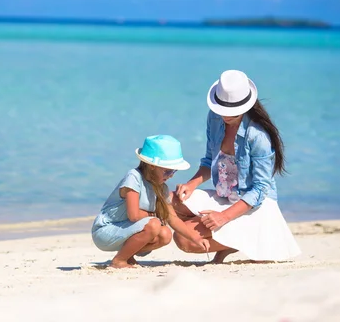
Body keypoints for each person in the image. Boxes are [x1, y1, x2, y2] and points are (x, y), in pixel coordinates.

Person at [173, 70, 301, 263]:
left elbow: (259, 190)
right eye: (222, 108)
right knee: (170, 201)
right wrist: (191, 185)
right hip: (225, 195)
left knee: (184, 240)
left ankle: (238, 241)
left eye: (231, 111)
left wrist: (223, 217)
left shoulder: (258, 136)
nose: (225, 115)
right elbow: (209, 161)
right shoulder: (215, 117)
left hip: (252, 204)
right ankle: (229, 236)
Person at [92, 135, 210, 268]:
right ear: (152, 166)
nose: (171, 175)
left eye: (174, 171)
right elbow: (134, 215)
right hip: (106, 230)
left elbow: (173, 218)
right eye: (167, 171)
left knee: (165, 234)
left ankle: (127, 255)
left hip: (125, 230)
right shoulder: (134, 177)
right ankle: (119, 261)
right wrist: (155, 216)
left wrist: (196, 238)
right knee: (154, 224)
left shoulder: (161, 188)